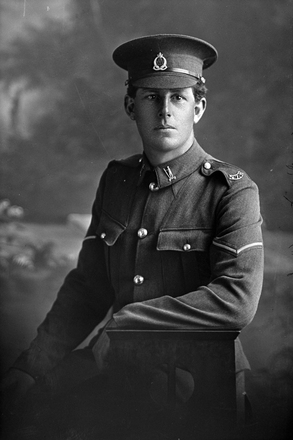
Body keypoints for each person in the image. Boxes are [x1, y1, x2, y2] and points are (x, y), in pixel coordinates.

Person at [1, 34, 264, 438]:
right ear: (130, 106)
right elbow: (88, 289)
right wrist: (29, 366)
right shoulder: (116, 181)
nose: (164, 111)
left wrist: (125, 326)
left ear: (199, 107)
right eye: (150, 98)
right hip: (124, 386)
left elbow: (237, 300)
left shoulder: (231, 191)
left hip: (204, 395)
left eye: (178, 98)